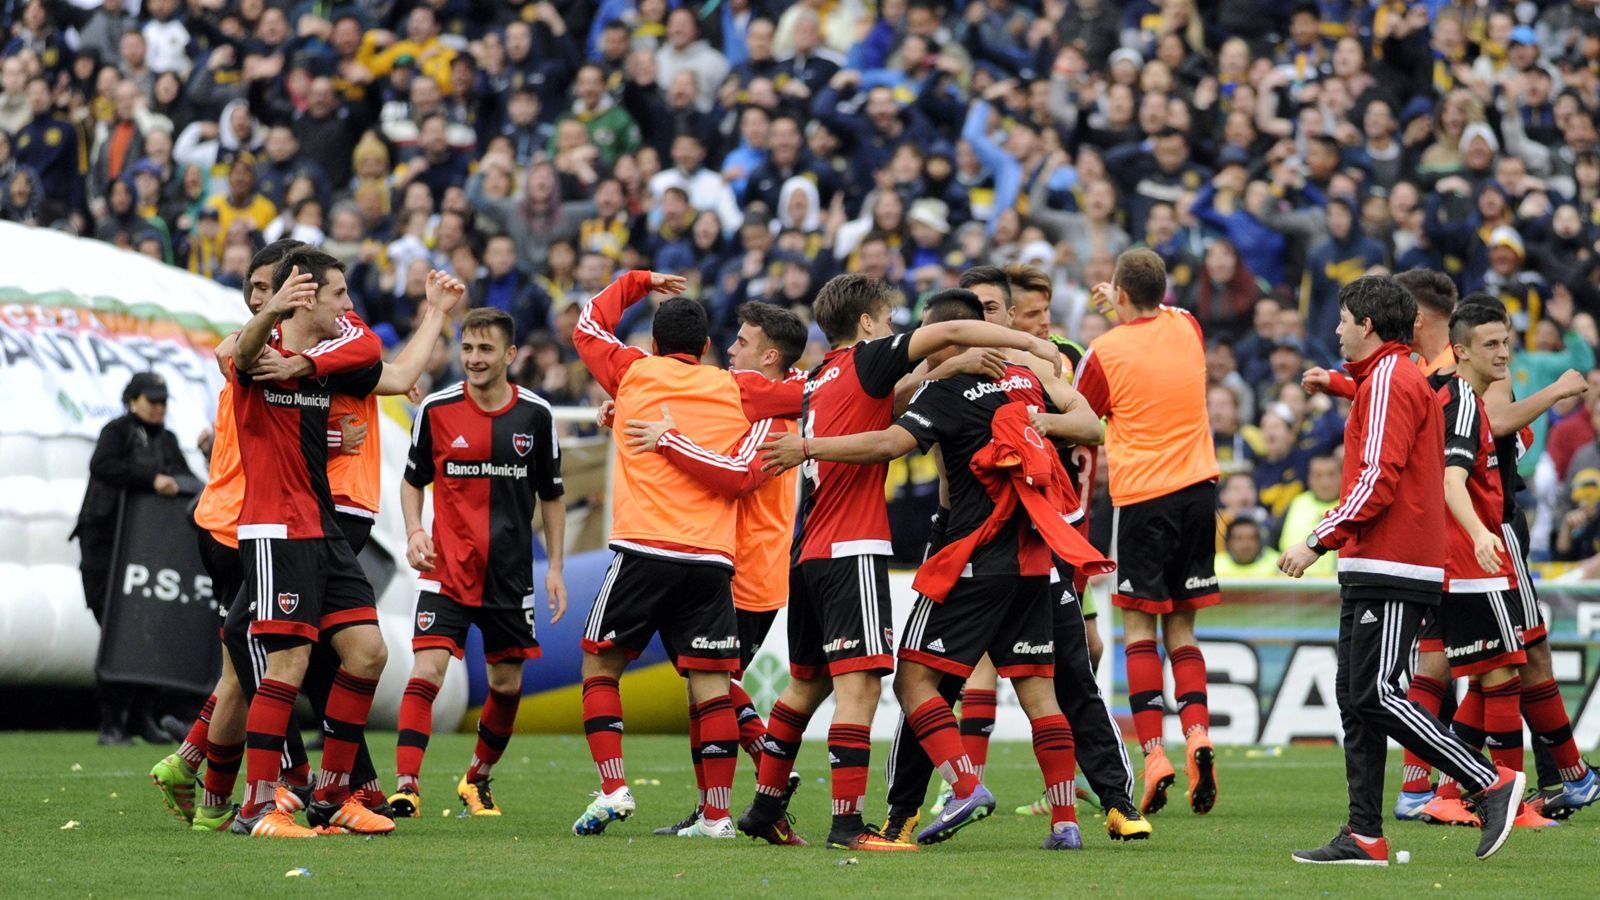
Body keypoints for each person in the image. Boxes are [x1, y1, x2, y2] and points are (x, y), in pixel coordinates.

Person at [760, 288, 1111, 850]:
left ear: (949, 338)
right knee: (1039, 692)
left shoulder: (944, 392)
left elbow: (889, 442)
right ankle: (1065, 824)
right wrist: (1037, 422)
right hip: (1035, 557)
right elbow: (1092, 428)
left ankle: (966, 785)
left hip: (973, 555)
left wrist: (808, 447)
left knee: (914, 680)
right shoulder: (1028, 382)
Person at [1279, 275, 1524, 865]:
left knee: (1378, 693)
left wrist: (1318, 537)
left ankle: (1488, 780)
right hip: (1376, 561)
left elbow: (1379, 477)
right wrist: (1336, 383)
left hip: (1393, 560)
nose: (1335, 330)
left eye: (1342, 320)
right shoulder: (1388, 375)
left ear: (1366, 325)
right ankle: (1364, 832)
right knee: (1355, 698)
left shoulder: (1391, 377)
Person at [568, 270, 803, 840]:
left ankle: (613, 785)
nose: (729, 349)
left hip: (654, 549)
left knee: (602, 665)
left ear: (652, 344)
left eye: (742, 342)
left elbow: (586, 326)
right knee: (711, 683)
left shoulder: (632, 372)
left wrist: (636, 280)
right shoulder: (736, 390)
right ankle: (721, 812)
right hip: (715, 560)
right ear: (703, 349)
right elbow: (815, 390)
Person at [226, 249, 437, 839]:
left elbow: (373, 352)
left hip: (323, 527)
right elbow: (242, 355)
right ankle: (257, 807)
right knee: (288, 663)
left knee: (369, 652)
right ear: (306, 297)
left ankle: (333, 796)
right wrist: (271, 315)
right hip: (276, 529)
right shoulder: (258, 352)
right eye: (339, 295)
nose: (348, 306)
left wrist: (304, 371)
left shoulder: (324, 359)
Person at [1407, 300, 1600, 826]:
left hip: (1471, 538)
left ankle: (1449, 788)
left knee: (1493, 664)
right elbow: (1463, 461)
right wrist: (1557, 390)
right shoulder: (1458, 393)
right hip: (1481, 540)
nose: (1504, 353)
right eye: (1492, 343)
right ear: (1457, 341)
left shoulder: (1436, 383)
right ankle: (1511, 792)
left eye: (1507, 342)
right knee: (1505, 664)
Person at [388, 308, 566, 819]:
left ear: (510, 355)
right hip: (446, 569)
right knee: (426, 672)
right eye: (467, 348)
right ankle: (406, 786)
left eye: (485, 349)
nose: (473, 359)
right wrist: (416, 530)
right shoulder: (437, 409)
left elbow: (552, 495)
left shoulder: (536, 415)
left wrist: (554, 567)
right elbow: (411, 480)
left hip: (510, 577)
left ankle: (477, 778)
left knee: (507, 684)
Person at [1076, 248, 1220, 816]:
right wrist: (1124, 302)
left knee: (1139, 631)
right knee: (1182, 631)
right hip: (1198, 492)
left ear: (1120, 294)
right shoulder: (1187, 327)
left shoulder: (1103, 352)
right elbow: (1154, 322)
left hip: (1141, 499)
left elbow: (1085, 413)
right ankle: (1199, 735)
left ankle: (1155, 755)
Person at [72, 371, 198, 745]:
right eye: (152, 400)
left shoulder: (168, 440)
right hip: (105, 546)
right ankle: (112, 721)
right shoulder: (117, 431)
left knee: (147, 632)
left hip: (147, 552)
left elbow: (187, 480)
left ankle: (142, 716)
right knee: (115, 629)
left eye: (163, 402)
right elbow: (103, 466)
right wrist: (152, 479)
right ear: (133, 400)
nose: (159, 408)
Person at [1214, 519, 1279, 579]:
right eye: (1239, 538)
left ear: (1259, 541)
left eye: (1251, 538)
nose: (1245, 544)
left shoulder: (1277, 563)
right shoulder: (1214, 565)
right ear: (1229, 542)